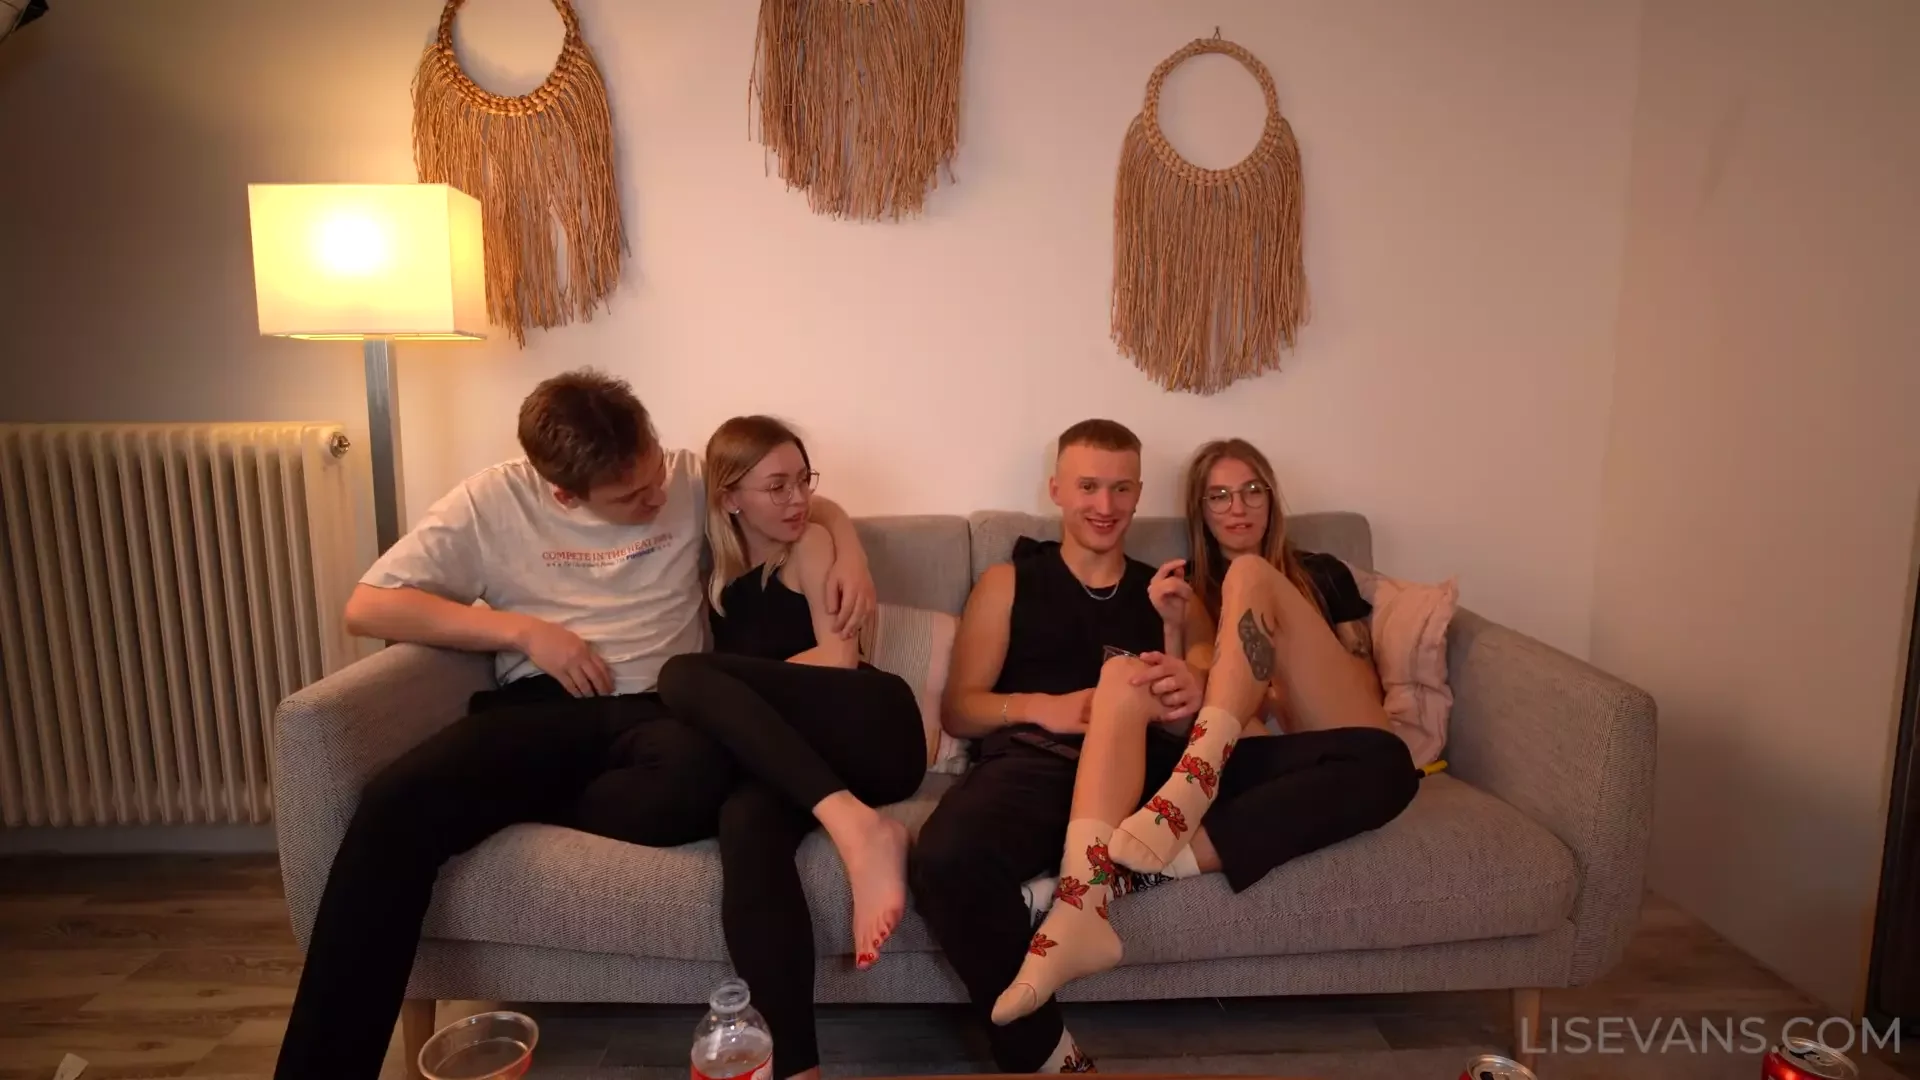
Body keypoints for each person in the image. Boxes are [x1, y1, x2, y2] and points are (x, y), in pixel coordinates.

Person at [274, 372, 877, 1080]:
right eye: (631, 497)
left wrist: (850, 548)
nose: (656, 498)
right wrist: (523, 631)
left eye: (655, 475)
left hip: (662, 713)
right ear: (562, 492)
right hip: (541, 707)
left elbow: (799, 499)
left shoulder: (686, 479)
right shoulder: (490, 502)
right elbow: (369, 606)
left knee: (697, 783)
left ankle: (514, 800)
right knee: (391, 808)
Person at [989, 437, 1424, 1027]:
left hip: (1337, 737)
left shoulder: (1323, 572)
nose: (1237, 507)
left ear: (1272, 497)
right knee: (1131, 672)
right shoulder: (1186, 587)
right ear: (1200, 510)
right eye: (1219, 496)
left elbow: (1362, 686)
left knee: (1255, 578)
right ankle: (1086, 895)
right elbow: (1180, 694)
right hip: (1249, 755)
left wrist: (1269, 672)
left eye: (1251, 491)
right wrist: (1182, 644)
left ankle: (1155, 824)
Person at [910, 419, 1202, 1074]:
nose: (1105, 505)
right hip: (1035, 768)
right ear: (1057, 490)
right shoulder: (1009, 582)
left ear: (1139, 493)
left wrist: (1175, 635)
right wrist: (1046, 707)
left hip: (1141, 776)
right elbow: (960, 708)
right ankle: (1045, 1053)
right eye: (1088, 486)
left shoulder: (1170, 591)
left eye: (1121, 488)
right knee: (945, 858)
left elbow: (1194, 729)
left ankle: (1081, 884)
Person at [649, 416, 928, 1080]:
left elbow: (838, 659)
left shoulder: (808, 546)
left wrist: (845, 539)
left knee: (684, 678)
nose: (798, 498)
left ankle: (867, 832)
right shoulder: (712, 569)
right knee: (744, 823)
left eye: (805, 480)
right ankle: (797, 1066)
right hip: (805, 763)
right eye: (777, 486)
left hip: (873, 725)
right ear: (730, 498)